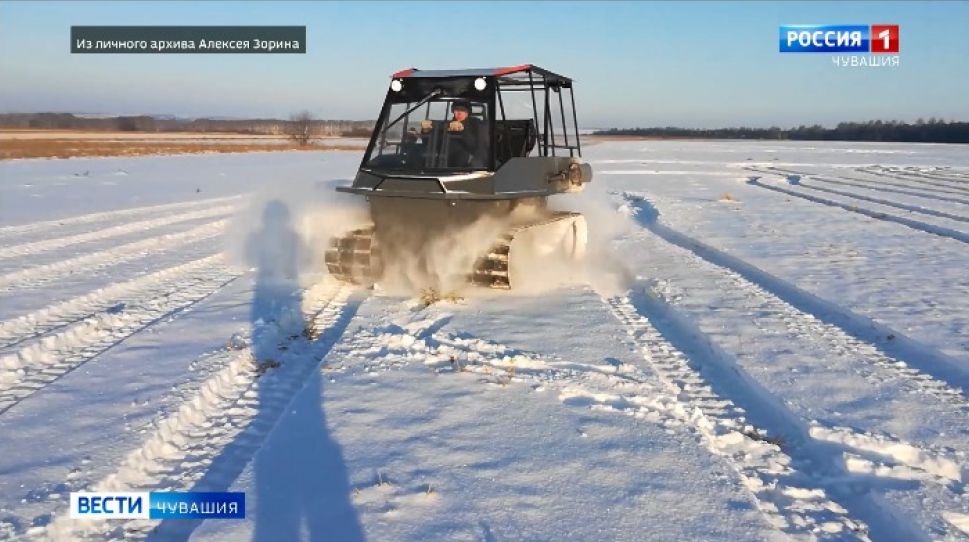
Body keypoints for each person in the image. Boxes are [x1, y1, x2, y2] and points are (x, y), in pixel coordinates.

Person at [446, 100, 483, 167]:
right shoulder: (447, 125)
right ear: (453, 111)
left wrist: (464, 129)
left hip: (472, 161)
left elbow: (476, 144)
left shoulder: (476, 124)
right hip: (447, 162)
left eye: (463, 110)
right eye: (456, 109)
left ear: (468, 112)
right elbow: (435, 144)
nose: (459, 113)